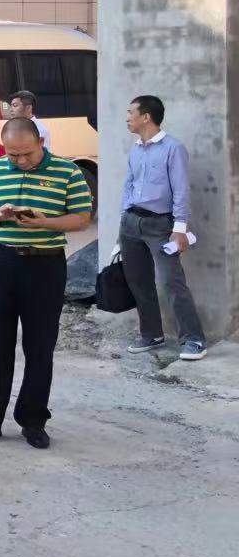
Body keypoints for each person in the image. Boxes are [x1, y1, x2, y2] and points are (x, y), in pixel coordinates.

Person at [0, 119, 92, 450]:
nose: (21, 161)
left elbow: (82, 218)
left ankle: (33, 420)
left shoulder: (68, 172)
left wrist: (45, 222)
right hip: (0, 262)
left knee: (40, 345)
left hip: (45, 264)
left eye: (27, 154)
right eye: (13, 155)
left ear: (40, 142)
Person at [120, 95, 206, 360]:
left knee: (172, 282)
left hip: (160, 225)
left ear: (146, 117)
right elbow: (129, 185)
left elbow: (181, 190)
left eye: (131, 112)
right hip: (131, 223)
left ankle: (194, 339)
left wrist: (179, 228)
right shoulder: (136, 148)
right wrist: (123, 221)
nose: (127, 118)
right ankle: (152, 334)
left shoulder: (173, 148)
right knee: (139, 281)